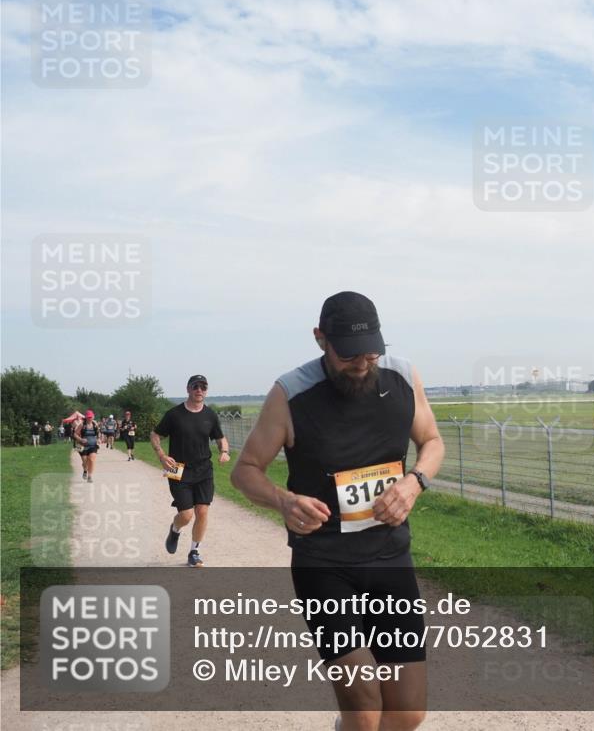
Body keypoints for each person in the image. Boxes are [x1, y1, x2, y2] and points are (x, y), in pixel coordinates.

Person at [232, 292, 443, 731]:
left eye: (371, 351)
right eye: (349, 354)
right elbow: (245, 471)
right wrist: (283, 500)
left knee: (407, 713)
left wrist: (414, 481)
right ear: (320, 339)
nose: (363, 362)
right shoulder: (290, 395)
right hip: (324, 565)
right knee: (364, 706)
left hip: (390, 559)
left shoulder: (403, 377)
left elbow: (433, 442)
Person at [150, 375, 229, 567]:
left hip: (203, 469)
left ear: (206, 390)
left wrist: (224, 451)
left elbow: (220, 438)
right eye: (195, 387)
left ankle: (194, 552)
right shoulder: (174, 414)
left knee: (202, 511)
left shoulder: (210, 415)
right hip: (178, 468)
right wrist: (161, 455)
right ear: (188, 389)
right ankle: (175, 529)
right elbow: (155, 434)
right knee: (186, 514)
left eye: (203, 387)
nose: (199, 390)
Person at [73, 410, 100, 482]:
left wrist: (99, 439)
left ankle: (90, 476)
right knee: (85, 462)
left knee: (92, 460)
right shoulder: (82, 425)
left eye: (91, 417)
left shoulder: (95, 424)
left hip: (93, 445)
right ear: (86, 417)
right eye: (88, 417)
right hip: (82, 446)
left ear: (93, 417)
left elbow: (98, 433)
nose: (89, 419)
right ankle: (85, 470)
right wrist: (81, 439)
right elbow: (75, 434)